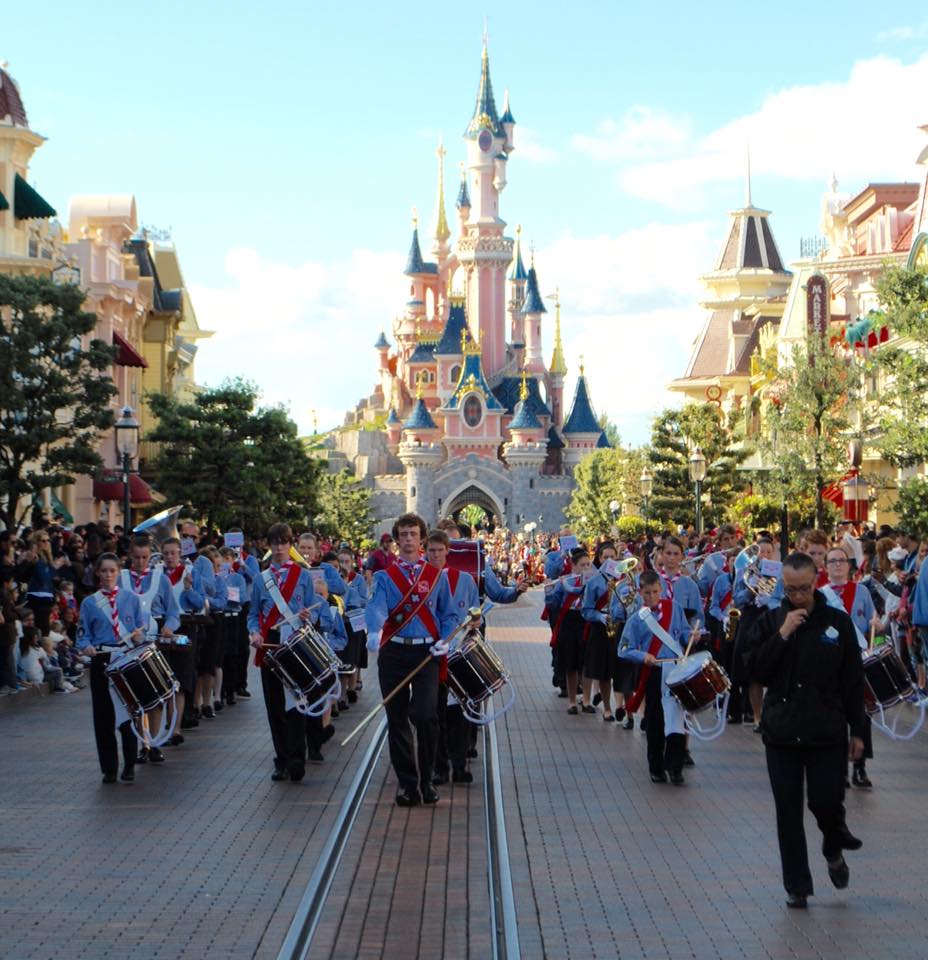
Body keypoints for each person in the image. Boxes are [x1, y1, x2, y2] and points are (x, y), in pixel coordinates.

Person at [744, 551, 866, 910]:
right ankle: (797, 885)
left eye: (804, 589)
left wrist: (859, 732)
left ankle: (832, 844)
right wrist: (782, 635)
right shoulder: (771, 621)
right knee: (788, 810)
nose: (798, 596)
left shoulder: (837, 623)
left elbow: (853, 680)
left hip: (826, 729)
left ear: (816, 582)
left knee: (826, 801)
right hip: (782, 731)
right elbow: (753, 670)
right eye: (791, 589)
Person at [365, 513, 458, 806]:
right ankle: (408, 785)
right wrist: (374, 630)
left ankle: (427, 778)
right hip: (394, 652)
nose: (408, 539)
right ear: (397, 539)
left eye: (413, 534)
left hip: (426, 653)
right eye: (403, 534)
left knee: (426, 715)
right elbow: (377, 607)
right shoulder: (384, 577)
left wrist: (445, 639)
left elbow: (449, 614)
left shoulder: (436, 576)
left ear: (422, 538)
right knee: (397, 719)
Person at [248, 523, 321, 783]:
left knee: (296, 700)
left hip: (296, 642)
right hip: (270, 643)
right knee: (275, 704)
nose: (279, 548)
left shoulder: (303, 575)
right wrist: (254, 633)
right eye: (275, 543)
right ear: (269, 546)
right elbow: (253, 614)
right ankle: (281, 760)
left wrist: (309, 615)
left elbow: (315, 608)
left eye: (283, 542)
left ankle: (297, 758)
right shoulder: (261, 579)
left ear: (290, 545)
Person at [75, 553, 146, 783]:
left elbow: (141, 628)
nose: (108, 575)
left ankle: (130, 763)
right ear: (97, 573)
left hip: (125, 658)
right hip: (102, 659)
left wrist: (139, 635)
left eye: (112, 570)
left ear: (118, 572)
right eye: (104, 571)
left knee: (128, 712)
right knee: (103, 715)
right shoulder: (89, 603)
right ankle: (109, 768)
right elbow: (82, 634)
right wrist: (86, 646)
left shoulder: (131, 599)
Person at [618, 570, 693, 784]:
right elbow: (623, 649)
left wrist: (693, 636)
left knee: (677, 719)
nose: (651, 596)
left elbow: (684, 633)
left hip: (676, 669)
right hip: (655, 672)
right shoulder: (636, 619)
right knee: (656, 721)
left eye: (655, 592)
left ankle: (675, 768)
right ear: (640, 592)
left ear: (661, 589)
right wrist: (643, 656)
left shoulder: (674, 608)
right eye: (647, 593)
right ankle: (656, 767)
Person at [546, 547, 593, 715]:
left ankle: (586, 700)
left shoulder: (593, 582)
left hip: (586, 621)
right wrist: (549, 592)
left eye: (588, 565)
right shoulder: (564, 582)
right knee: (570, 663)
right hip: (569, 622)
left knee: (585, 664)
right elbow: (553, 604)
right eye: (582, 565)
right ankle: (572, 701)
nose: (586, 568)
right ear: (573, 566)